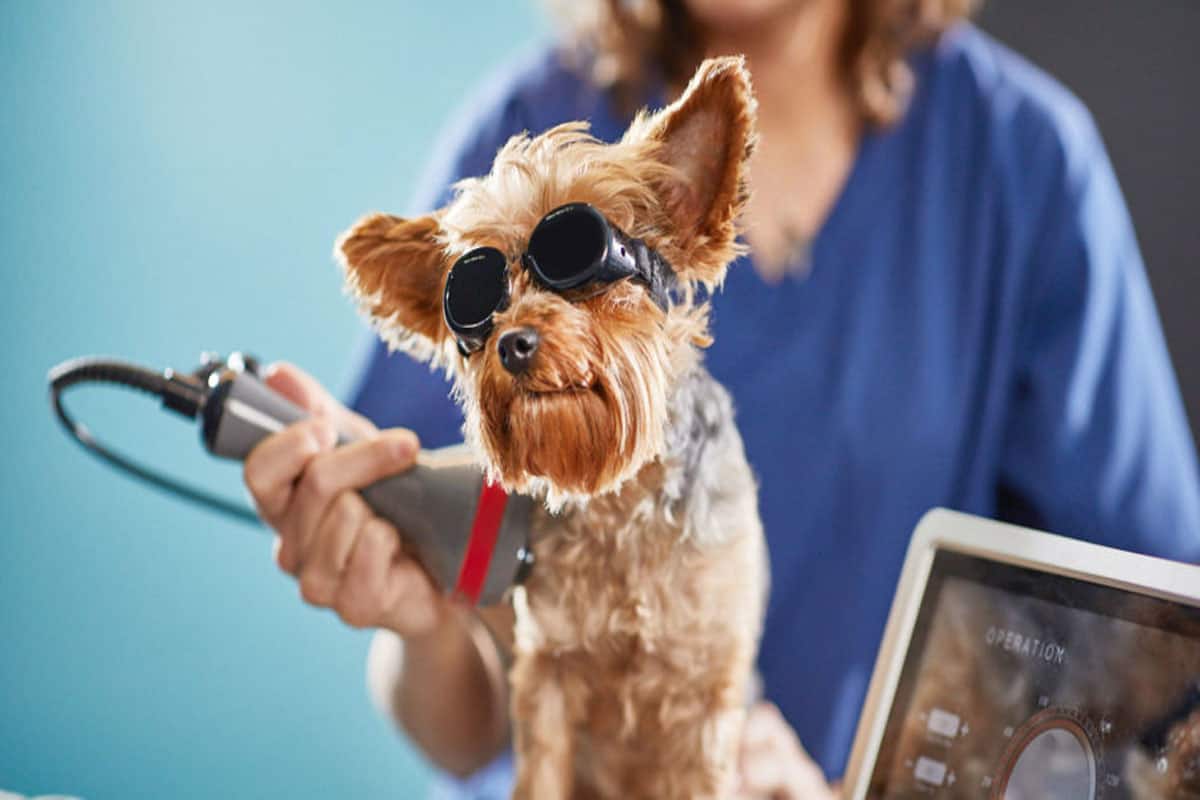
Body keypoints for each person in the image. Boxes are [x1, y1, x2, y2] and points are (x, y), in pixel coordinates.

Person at [243, 0, 1200, 797]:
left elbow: (1154, 664)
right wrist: (416, 617)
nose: (519, 319)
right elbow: (460, 721)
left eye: (578, 263)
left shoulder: (1021, 166)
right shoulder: (520, 135)